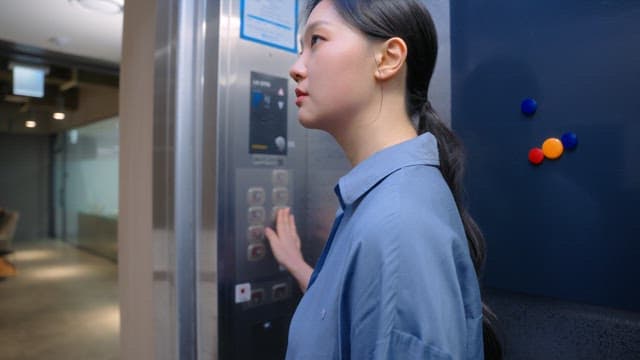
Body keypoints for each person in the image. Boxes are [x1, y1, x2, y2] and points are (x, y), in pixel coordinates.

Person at [264, 0, 502, 358]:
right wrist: (300, 267)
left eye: (316, 41)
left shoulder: (396, 223)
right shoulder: (388, 200)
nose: (296, 68)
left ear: (388, 58)